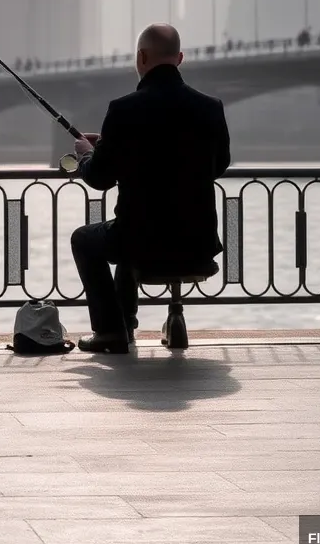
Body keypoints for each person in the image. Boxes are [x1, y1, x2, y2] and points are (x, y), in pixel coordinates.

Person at [69, 23, 231, 353]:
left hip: (141, 243)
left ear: (141, 56)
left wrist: (87, 155)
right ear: (180, 58)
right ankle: (133, 322)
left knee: (86, 239)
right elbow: (219, 164)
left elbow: (100, 178)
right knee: (130, 231)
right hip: (197, 245)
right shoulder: (210, 107)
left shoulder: (123, 109)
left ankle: (111, 330)